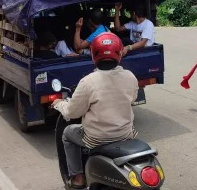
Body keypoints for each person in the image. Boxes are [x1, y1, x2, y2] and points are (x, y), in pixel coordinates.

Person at [53, 32, 138, 189]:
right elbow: (132, 99)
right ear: (119, 53)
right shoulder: (130, 76)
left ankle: (77, 177)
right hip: (126, 136)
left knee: (67, 134)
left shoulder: (88, 82)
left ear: (93, 54)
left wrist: (58, 104)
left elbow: (72, 112)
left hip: (96, 139)